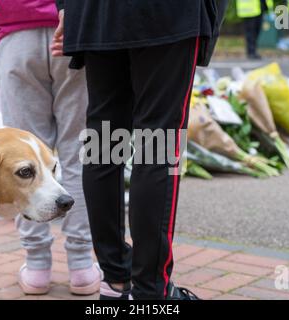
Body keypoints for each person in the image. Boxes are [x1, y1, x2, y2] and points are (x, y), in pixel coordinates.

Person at [51, 0, 227, 300]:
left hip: (95, 12)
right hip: (165, 15)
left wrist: (66, 6)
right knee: (157, 144)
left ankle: (116, 276)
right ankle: (150, 291)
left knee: (105, 141)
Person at [0, 0, 101, 296]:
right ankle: (82, 265)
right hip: (74, 30)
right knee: (80, 154)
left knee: (23, 159)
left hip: (16, 33)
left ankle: (37, 265)